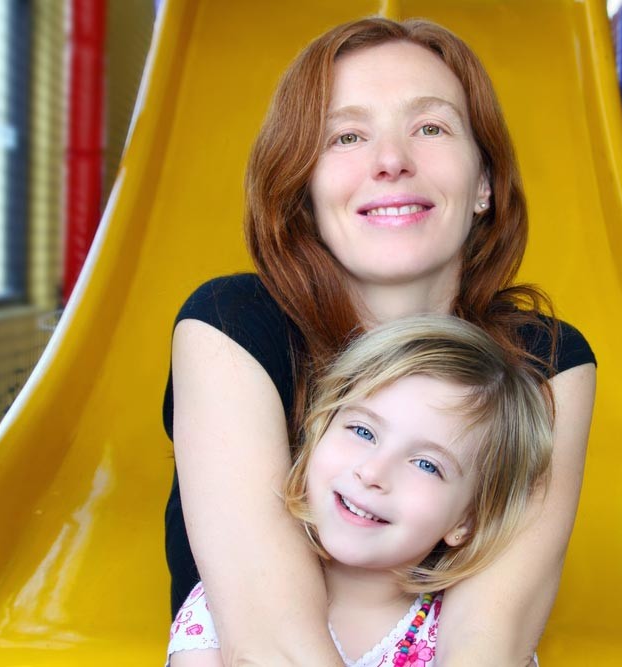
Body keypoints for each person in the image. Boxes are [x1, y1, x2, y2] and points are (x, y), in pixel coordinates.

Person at [164, 16, 597, 666]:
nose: (391, 160)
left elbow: (487, 644)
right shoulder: (230, 325)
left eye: (430, 127)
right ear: (305, 187)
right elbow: (272, 645)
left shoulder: (544, 362)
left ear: (483, 182)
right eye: (347, 135)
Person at [167, 316, 552, 666]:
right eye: (363, 431)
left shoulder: (465, 639)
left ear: (467, 520)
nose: (372, 472)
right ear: (319, 432)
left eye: (426, 464)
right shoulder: (228, 609)